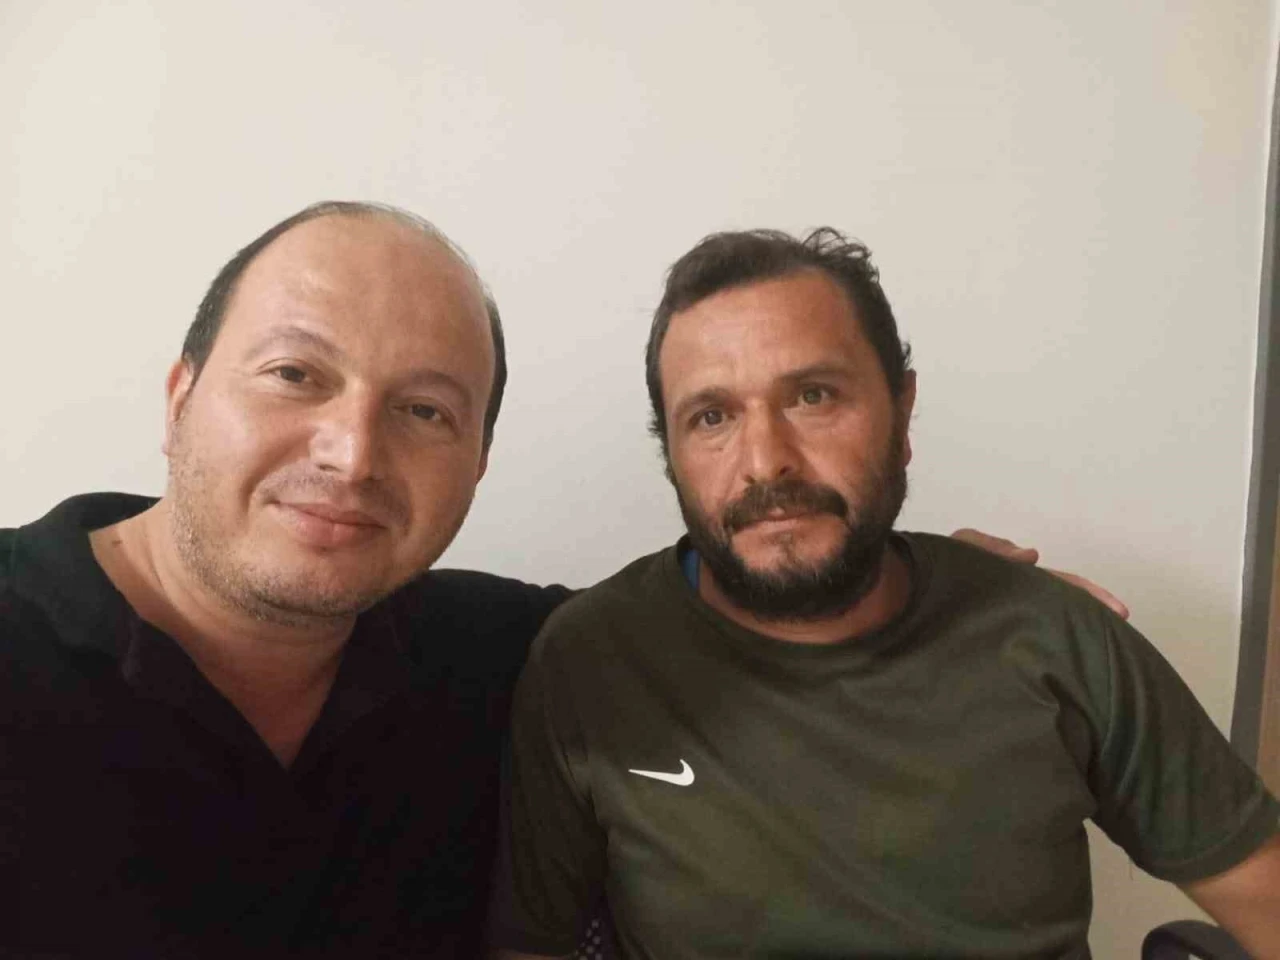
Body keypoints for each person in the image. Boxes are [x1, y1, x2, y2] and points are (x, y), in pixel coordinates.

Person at [0, 202, 1121, 958]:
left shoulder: (505, 656)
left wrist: (936, 595)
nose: (352, 453)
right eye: (295, 374)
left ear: (478, 460)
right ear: (180, 396)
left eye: (425, 410)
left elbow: (748, 618)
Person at [490, 228, 1280, 960]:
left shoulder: (1052, 636)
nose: (766, 460)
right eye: (712, 417)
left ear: (901, 413)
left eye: (813, 396)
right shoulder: (591, 662)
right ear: (672, 456)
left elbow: (1261, 892)